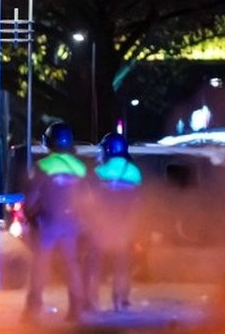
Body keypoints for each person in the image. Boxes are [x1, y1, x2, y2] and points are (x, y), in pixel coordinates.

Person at [22, 122, 89, 322]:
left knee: (40, 266)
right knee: (72, 265)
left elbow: (32, 197)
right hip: (71, 224)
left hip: (47, 223)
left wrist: (30, 216)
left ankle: (32, 311)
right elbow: (87, 199)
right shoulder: (79, 167)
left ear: (48, 142)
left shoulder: (43, 166)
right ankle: (76, 310)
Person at [83, 132, 142, 311]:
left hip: (100, 226)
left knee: (93, 264)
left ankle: (91, 300)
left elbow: (89, 201)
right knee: (122, 264)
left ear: (108, 150)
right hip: (123, 226)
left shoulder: (98, 172)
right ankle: (121, 300)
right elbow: (137, 202)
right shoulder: (134, 172)